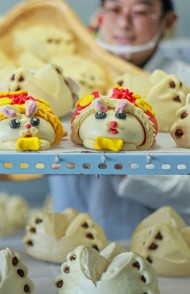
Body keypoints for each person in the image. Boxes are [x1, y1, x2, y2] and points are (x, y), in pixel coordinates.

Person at [49, 0, 190, 241]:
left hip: (155, 247)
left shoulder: (182, 84)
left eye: (140, 12)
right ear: (99, 16)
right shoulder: (63, 78)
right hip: (67, 239)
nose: (124, 23)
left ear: (168, 21)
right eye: (114, 9)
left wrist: (128, 167)